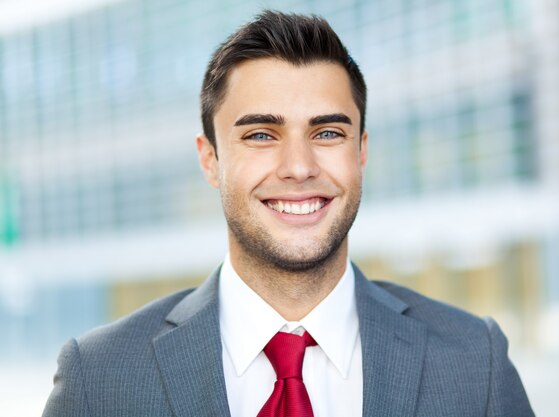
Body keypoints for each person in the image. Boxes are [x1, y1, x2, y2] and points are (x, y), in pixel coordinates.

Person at [43, 10, 534, 417]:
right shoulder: (100, 378)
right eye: (260, 135)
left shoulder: (474, 359)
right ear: (210, 159)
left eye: (327, 134)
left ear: (361, 152)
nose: (298, 167)